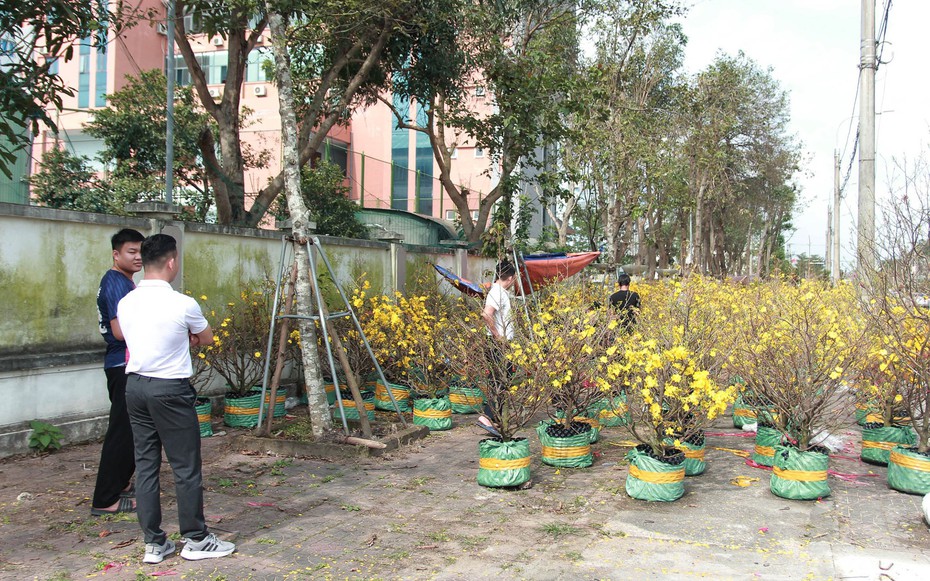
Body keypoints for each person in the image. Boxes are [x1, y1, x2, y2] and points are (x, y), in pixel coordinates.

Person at [118, 234, 235, 564]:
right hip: (170, 389)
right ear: (171, 262)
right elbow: (208, 338)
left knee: (145, 465)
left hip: (135, 387)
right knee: (185, 466)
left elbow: (134, 336)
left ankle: (154, 543)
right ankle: (196, 538)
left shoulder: (126, 302)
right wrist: (186, 336)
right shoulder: (183, 304)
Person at [91, 228, 145, 516]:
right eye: (131, 252)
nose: (138, 257)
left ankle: (121, 484)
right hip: (121, 364)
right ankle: (105, 499)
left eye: (140, 251)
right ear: (116, 254)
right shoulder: (115, 283)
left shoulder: (125, 281)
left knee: (131, 430)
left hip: (126, 363)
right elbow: (119, 331)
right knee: (121, 433)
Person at [478, 261, 517, 436]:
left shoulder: (500, 292)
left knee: (503, 378)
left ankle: (496, 418)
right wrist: (497, 335)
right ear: (510, 278)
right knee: (499, 380)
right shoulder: (497, 292)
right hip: (497, 343)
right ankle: (487, 417)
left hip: (501, 342)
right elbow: (486, 314)